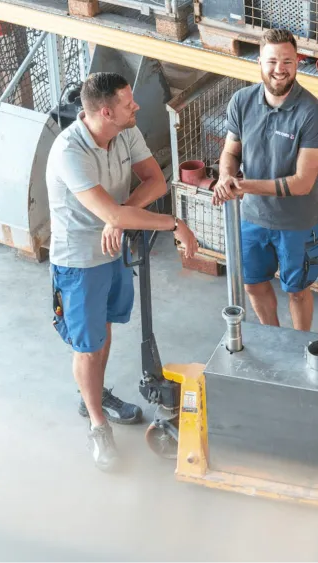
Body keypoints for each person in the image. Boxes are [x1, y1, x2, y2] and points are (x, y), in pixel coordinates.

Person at [45, 72, 199, 472]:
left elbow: (155, 181)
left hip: (112, 251)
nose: (137, 107)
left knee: (106, 329)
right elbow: (113, 212)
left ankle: (91, 395)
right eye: (129, 103)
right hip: (79, 262)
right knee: (87, 345)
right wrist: (171, 225)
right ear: (106, 111)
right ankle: (98, 424)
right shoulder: (70, 152)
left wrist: (121, 217)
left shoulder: (124, 132)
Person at [211, 28, 318, 332]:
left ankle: (299, 345)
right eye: (272, 61)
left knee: (297, 291)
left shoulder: (311, 114)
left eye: (288, 62)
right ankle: (275, 339)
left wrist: (244, 186)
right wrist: (226, 176)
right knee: (252, 284)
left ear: (297, 63)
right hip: (253, 218)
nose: (280, 69)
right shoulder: (242, 101)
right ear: (260, 63)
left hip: (297, 223)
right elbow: (231, 150)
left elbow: (303, 183)